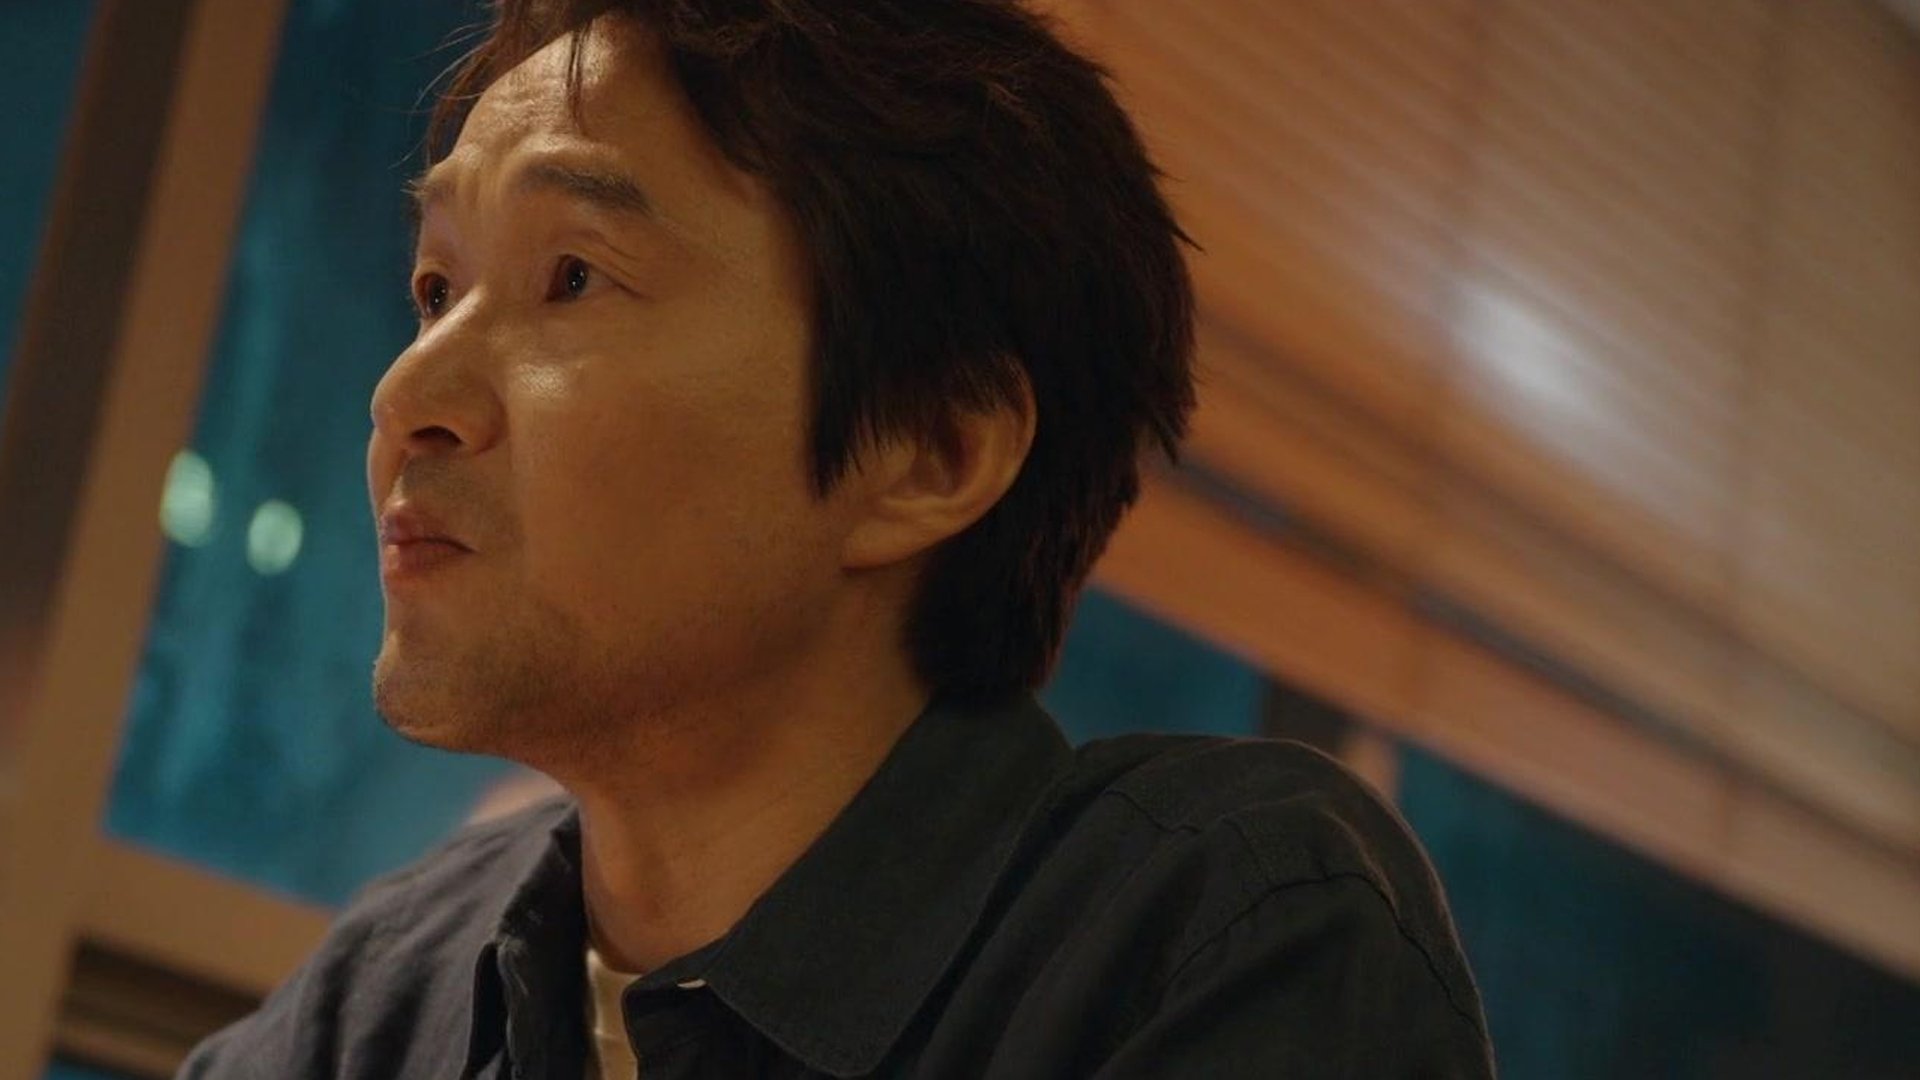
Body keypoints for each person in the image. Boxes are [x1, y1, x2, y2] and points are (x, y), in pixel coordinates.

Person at [180, 1, 1493, 1076]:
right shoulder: (389, 1000)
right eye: (435, 288)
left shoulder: (1204, 931)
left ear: (927, 453)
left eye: (571, 277)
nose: (405, 392)